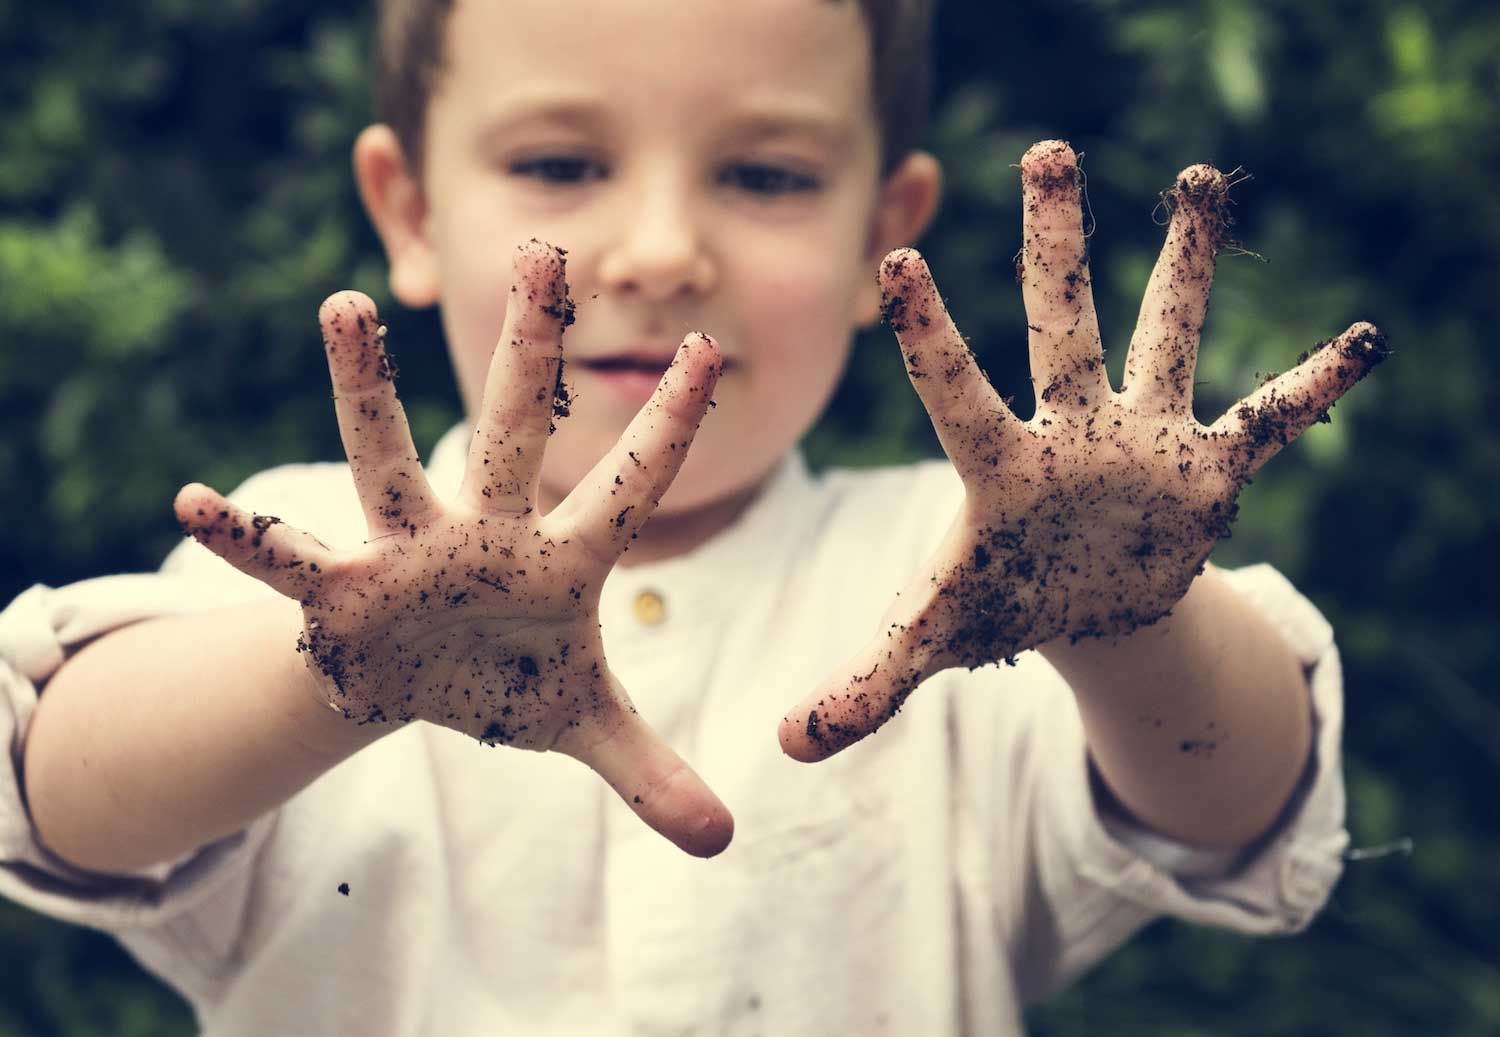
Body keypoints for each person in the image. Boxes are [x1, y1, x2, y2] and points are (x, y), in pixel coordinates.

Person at [0, 0, 1386, 1033]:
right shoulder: (310, 565)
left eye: (767, 175)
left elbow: (1243, 805)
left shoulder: (951, 584)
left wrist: (1123, 612)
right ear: (407, 208)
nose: (660, 249)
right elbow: (54, 791)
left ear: (877, 230)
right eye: (557, 162)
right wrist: (332, 674)